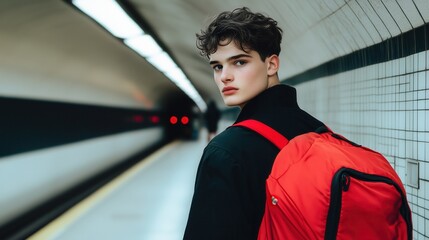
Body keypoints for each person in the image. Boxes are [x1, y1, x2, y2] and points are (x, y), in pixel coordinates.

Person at [184, 7, 324, 240]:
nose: (225, 76)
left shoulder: (226, 152)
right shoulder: (319, 132)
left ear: (271, 65)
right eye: (217, 66)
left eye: (239, 62)